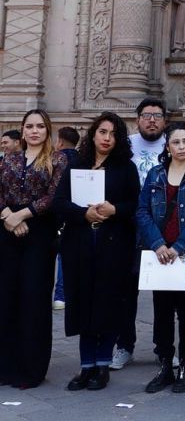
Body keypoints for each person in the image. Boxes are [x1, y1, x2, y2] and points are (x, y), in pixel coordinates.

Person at [53, 112, 141, 391]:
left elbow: (135, 205)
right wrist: (84, 213)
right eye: (103, 132)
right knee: (83, 303)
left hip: (114, 244)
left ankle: (103, 365)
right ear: (93, 134)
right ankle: (86, 365)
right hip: (79, 243)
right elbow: (60, 203)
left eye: (113, 134)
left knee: (108, 303)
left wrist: (115, 210)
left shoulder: (126, 167)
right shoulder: (77, 165)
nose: (107, 138)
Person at [136, 122, 185, 393]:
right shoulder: (155, 174)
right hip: (159, 251)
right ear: (167, 146)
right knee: (162, 308)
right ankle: (165, 365)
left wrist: (179, 246)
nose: (181, 147)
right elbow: (142, 210)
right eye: (176, 142)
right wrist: (157, 244)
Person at [0, 110, 68, 388]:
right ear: (23, 130)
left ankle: (31, 369)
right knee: (6, 297)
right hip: (6, 231)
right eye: (29, 126)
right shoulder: (9, 159)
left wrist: (23, 215)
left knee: (33, 298)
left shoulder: (57, 159)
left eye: (40, 126)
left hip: (39, 232)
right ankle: (5, 366)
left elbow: (54, 195)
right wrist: (8, 216)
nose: (34, 131)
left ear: (47, 130)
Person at [111, 98, 168, 371]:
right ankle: (124, 345)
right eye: (147, 115)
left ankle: (163, 347)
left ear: (164, 121)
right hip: (127, 225)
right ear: (138, 119)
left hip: (160, 226)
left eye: (157, 115)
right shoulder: (125, 146)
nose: (152, 120)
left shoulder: (172, 144)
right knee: (124, 290)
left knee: (164, 292)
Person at [53, 126, 81, 311]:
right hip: (77, 212)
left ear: (60, 141)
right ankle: (66, 294)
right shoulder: (82, 160)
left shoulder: (55, 159)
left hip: (57, 213)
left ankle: (60, 295)